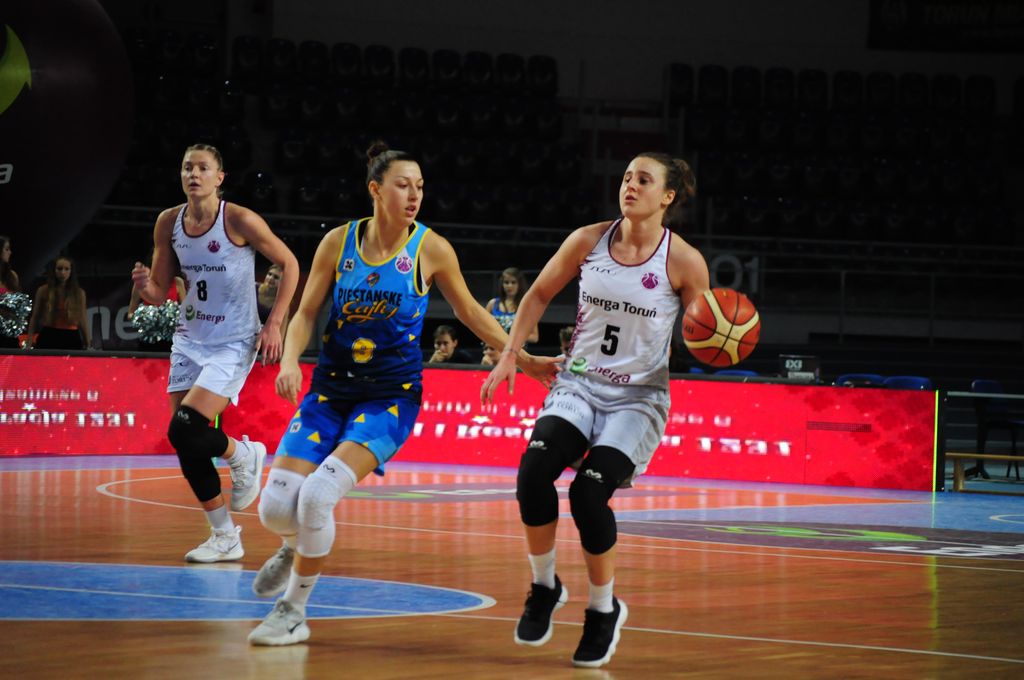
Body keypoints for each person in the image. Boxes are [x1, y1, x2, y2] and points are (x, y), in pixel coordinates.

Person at [247, 141, 558, 646]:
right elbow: (305, 313)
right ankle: (294, 543)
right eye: (402, 185)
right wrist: (288, 360)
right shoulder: (337, 242)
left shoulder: (431, 248)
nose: (414, 195)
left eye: (419, 187)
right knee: (276, 509)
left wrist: (521, 358)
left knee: (318, 496)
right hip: (330, 390)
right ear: (375, 189)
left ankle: (293, 612)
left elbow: (470, 313)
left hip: (390, 397)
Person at [482, 152, 710, 669]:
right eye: (627, 177)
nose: (630, 185)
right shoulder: (588, 240)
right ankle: (545, 586)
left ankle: (603, 609)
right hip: (579, 383)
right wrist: (511, 354)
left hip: (638, 398)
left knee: (588, 495)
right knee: (533, 473)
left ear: (667, 196)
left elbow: (703, 334)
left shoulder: (683, 261)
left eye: (643, 180)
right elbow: (538, 294)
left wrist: (720, 339)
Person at [130, 143, 298, 564]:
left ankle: (243, 454)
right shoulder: (168, 222)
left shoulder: (238, 219)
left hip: (233, 340)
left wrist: (275, 323)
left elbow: (290, 263)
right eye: (187, 167)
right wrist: (145, 286)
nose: (194, 174)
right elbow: (159, 293)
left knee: (187, 426)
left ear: (219, 178)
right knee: (184, 439)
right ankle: (225, 536)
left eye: (203, 168)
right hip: (190, 337)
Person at [25, 255, 90, 350]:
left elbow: (83, 319)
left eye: (66, 269)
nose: (63, 272)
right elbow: (35, 317)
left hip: (71, 336)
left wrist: (87, 343)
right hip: (49, 334)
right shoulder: (43, 290)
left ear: (71, 271)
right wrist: (29, 340)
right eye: (59, 269)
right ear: (54, 270)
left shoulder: (79, 293)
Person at [128, 273, 187, 352]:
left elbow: (185, 313)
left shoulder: (178, 282)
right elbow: (130, 313)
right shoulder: (141, 283)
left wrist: (173, 319)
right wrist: (144, 318)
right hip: (148, 341)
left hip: (172, 342)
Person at [485, 266, 539, 344]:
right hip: (495, 348)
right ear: (502, 284)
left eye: (513, 282)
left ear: (519, 284)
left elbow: (534, 337)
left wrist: (512, 336)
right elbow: (482, 328)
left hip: (516, 349)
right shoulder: (492, 304)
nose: (509, 286)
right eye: (506, 282)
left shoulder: (527, 306)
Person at [0, 235, 23, 349]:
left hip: (9, 331)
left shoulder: (12, 276)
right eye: (7, 249)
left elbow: (18, 303)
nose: (10, 252)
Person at [257, 263, 290, 339]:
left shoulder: (282, 303)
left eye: (276, 277)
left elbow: (280, 334)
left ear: (282, 282)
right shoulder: (253, 288)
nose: (271, 278)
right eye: (269, 274)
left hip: (263, 341)